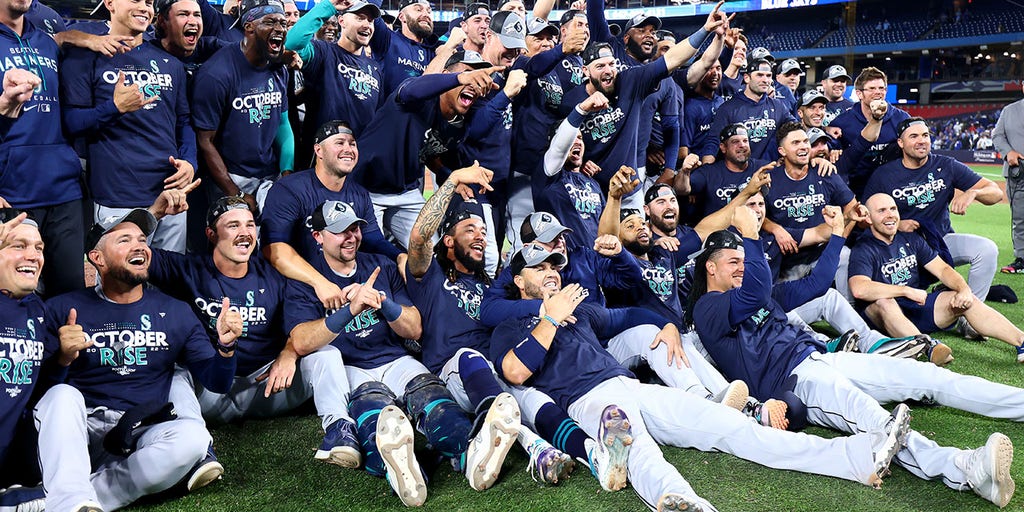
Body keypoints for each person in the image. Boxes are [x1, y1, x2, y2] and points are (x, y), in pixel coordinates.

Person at [493, 243, 910, 511]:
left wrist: (668, 326)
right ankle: (684, 504)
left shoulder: (579, 309)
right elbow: (514, 370)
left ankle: (855, 458)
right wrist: (548, 318)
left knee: (733, 427)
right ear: (518, 280)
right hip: (589, 402)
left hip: (630, 385)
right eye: (539, 266)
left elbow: (629, 316)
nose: (551, 269)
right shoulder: (510, 327)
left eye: (555, 263)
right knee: (637, 455)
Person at [690, 217, 1022, 508]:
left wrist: (837, 234)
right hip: (797, 382)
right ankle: (965, 470)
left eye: (744, 262)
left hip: (827, 358)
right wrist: (750, 234)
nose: (741, 268)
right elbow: (755, 293)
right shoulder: (708, 309)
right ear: (711, 267)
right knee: (881, 423)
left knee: (928, 377)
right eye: (734, 261)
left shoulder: (755, 293)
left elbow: (816, 284)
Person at [286, 199, 528, 502]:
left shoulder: (380, 265)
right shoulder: (307, 279)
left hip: (394, 358)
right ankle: (404, 469)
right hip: (351, 366)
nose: (351, 237)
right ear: (318, 236)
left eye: (355, 229)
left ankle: (469, 454)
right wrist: (350, 309)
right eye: (340, 232)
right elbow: (301, 341)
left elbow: (413, 327)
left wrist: (382, 302)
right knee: (373, 410)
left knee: (432, 396)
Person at [35, 209, 239, 512]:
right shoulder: (62, 308)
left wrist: (226, 347)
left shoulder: (175, 311)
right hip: (81, 430)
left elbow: (217, 382)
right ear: (97, 258)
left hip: (140, 430)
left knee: (195, 438)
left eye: (143, 240)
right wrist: (62, 358)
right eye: (124, 240)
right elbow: (42, 395)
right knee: (62, 395)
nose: (139, 246)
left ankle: (70, 500)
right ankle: (69, 497)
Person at [145, 195, 357, 472]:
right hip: (209, 392)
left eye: (249, 225)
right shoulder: (187, 269)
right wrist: (155, 213)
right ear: (211, 234)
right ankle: (197, 448)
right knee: (173, 373)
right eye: (233, 225)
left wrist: (288, 353)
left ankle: (339, 430)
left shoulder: (274, 275)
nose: (245, 233)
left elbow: (299, 327)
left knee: (327, 355)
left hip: (266, 385)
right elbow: (125, 249)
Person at [60, 0, 196, 253]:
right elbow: (70, 123)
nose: (145, 7)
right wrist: (115, 108)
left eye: (149, 2)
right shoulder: (84, 58)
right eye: (135, 0)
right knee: (121, 284)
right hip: (118, 194)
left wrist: (189, 161)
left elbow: (184, 123)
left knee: (169, 278)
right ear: (110, 3)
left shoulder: (171, 64)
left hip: (171, 193)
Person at [849, 193, 1024, 364]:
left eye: (893, 209)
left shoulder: (910, 240)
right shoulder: (864, 248)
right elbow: (860, 289)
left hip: (915, 306)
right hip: (884, 317)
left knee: (967, 300)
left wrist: (963, 289)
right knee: (884, 302)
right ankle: (928, 347)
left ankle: (1021, 341)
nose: (890, 215)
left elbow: (943, 270)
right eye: (882, 211)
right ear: (869, 218)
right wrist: (905, 290)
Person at [351, 51, 498, 251]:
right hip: (365, 187)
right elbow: (413, 88)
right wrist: (459, 79)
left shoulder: (459, 124)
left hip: (406, 190)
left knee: (429, 252)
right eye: (467, 73)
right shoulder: (418, 97)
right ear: (445, 75)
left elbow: (429, 153)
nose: (472, 82)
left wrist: (448, 177)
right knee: (365, 251)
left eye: (477, 78)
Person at [863, 117, 1003, 309]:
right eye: (914, 136)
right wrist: (896, 225)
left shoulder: (946, 165)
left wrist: (974, 192)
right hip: (901, 250)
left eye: (925, 135)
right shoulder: (884, 175)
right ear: (901, 143)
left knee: (986, 249)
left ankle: (969, 317)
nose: (921, 140)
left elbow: (995, 193)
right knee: (896, 305)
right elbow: (864, 216)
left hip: (941, 242)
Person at [261, 120, 400, 310]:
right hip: (298, 285)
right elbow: (273, 249)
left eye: (352, 143)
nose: (348, 149)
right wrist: (319, 282)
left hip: (343, 280)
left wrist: (400, 257)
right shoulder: (288, 190)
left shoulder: (359, 193)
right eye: (339, 143)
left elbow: (373, 240)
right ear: (318, 150)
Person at [0, 0, 88, 296]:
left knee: (69, 293)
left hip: (63, 188)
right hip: (12, 192)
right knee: (18, 295)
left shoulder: (45, 42)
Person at [192, 0, 291, 214]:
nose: (280, 29)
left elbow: (283, 126)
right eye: (271, 22)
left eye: (283, 24)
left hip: (269, 174)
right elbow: (205, 141)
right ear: (249, 27)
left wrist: (286, 175)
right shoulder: (216, 73)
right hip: (230, 176)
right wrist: (234, 192)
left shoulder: (278, 70)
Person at [285, 0, 383, 140]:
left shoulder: (375, 68)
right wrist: (329, 5)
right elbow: (291, 43)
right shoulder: (323, 52)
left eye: (370, 20)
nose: (367, 25)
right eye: (360, 18)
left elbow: (376, 119)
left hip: (359, 154)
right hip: (321, 155)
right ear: (342, 21)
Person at [829, 66, 910, 197]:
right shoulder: (841, 123)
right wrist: (833, 150)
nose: (878, 92)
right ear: (859, 94)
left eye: (881, 88)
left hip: (895, 190)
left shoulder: (902, 118)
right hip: (857, 191)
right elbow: (833, 156)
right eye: (872, 88)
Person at [708, 54, 798, 163]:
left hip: (770, 171)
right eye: (760, 75)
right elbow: (713, 142)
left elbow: (795, 130)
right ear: (747, 78)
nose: (765, 80)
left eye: (768, 76)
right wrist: (707, 167)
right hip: (739, 172)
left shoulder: (778, 106)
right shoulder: (728, 108)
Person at [366, 0, 436, 96]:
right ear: (402, 17)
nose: (426, 14)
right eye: (418, 9)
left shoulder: (435, 50)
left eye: (429, 11)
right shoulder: (387, 38)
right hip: (390, 109)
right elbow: (370, 6)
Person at [993, 80, 1024, 274]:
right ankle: (1022, 258)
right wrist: (1008, 152)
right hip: (1018, 173)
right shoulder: (1009, 111)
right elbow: (997, 136)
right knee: (1020, 218)